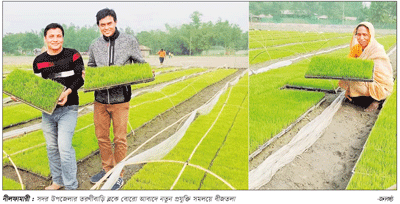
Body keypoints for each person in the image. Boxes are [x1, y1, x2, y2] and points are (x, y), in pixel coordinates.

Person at [88, 8, 145, 190]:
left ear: (115, 22)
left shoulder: (129, 41)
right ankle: (107, 169)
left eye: (109, 23)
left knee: (119, 138)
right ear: (98, 26)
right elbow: (91, 67)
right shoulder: (95, 45)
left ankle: (118, 174)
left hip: (121, 99)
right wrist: (88, 76)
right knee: (102, 137)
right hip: (100, 100)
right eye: (102, 25)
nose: (106, 27)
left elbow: (140, 64)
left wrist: (141, 72)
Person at [33, 23, 84, 190]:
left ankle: (71, 186)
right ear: (45, 39)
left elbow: (80, 79)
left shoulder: (73, 55)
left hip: (69, 108)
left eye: (58, 36)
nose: (55, 39)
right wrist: (21, 96)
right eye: (51, 36)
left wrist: (67, 92)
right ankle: (57, 181)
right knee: (51, 147)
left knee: (64, 146)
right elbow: (38, 87)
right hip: (48, 111)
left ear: (62, 37)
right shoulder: (38, 61)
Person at [338, 22, 394, 112]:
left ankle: (378, 100)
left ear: (371, 35)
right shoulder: (356, 48)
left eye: (365, 35)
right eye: (359, 34)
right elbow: (348, 64)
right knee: (345, 80)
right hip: (363, 80)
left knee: (355, 84)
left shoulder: (377, 49)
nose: (361, 38)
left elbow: (381, 74)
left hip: (377, 82)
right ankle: (362, 99)